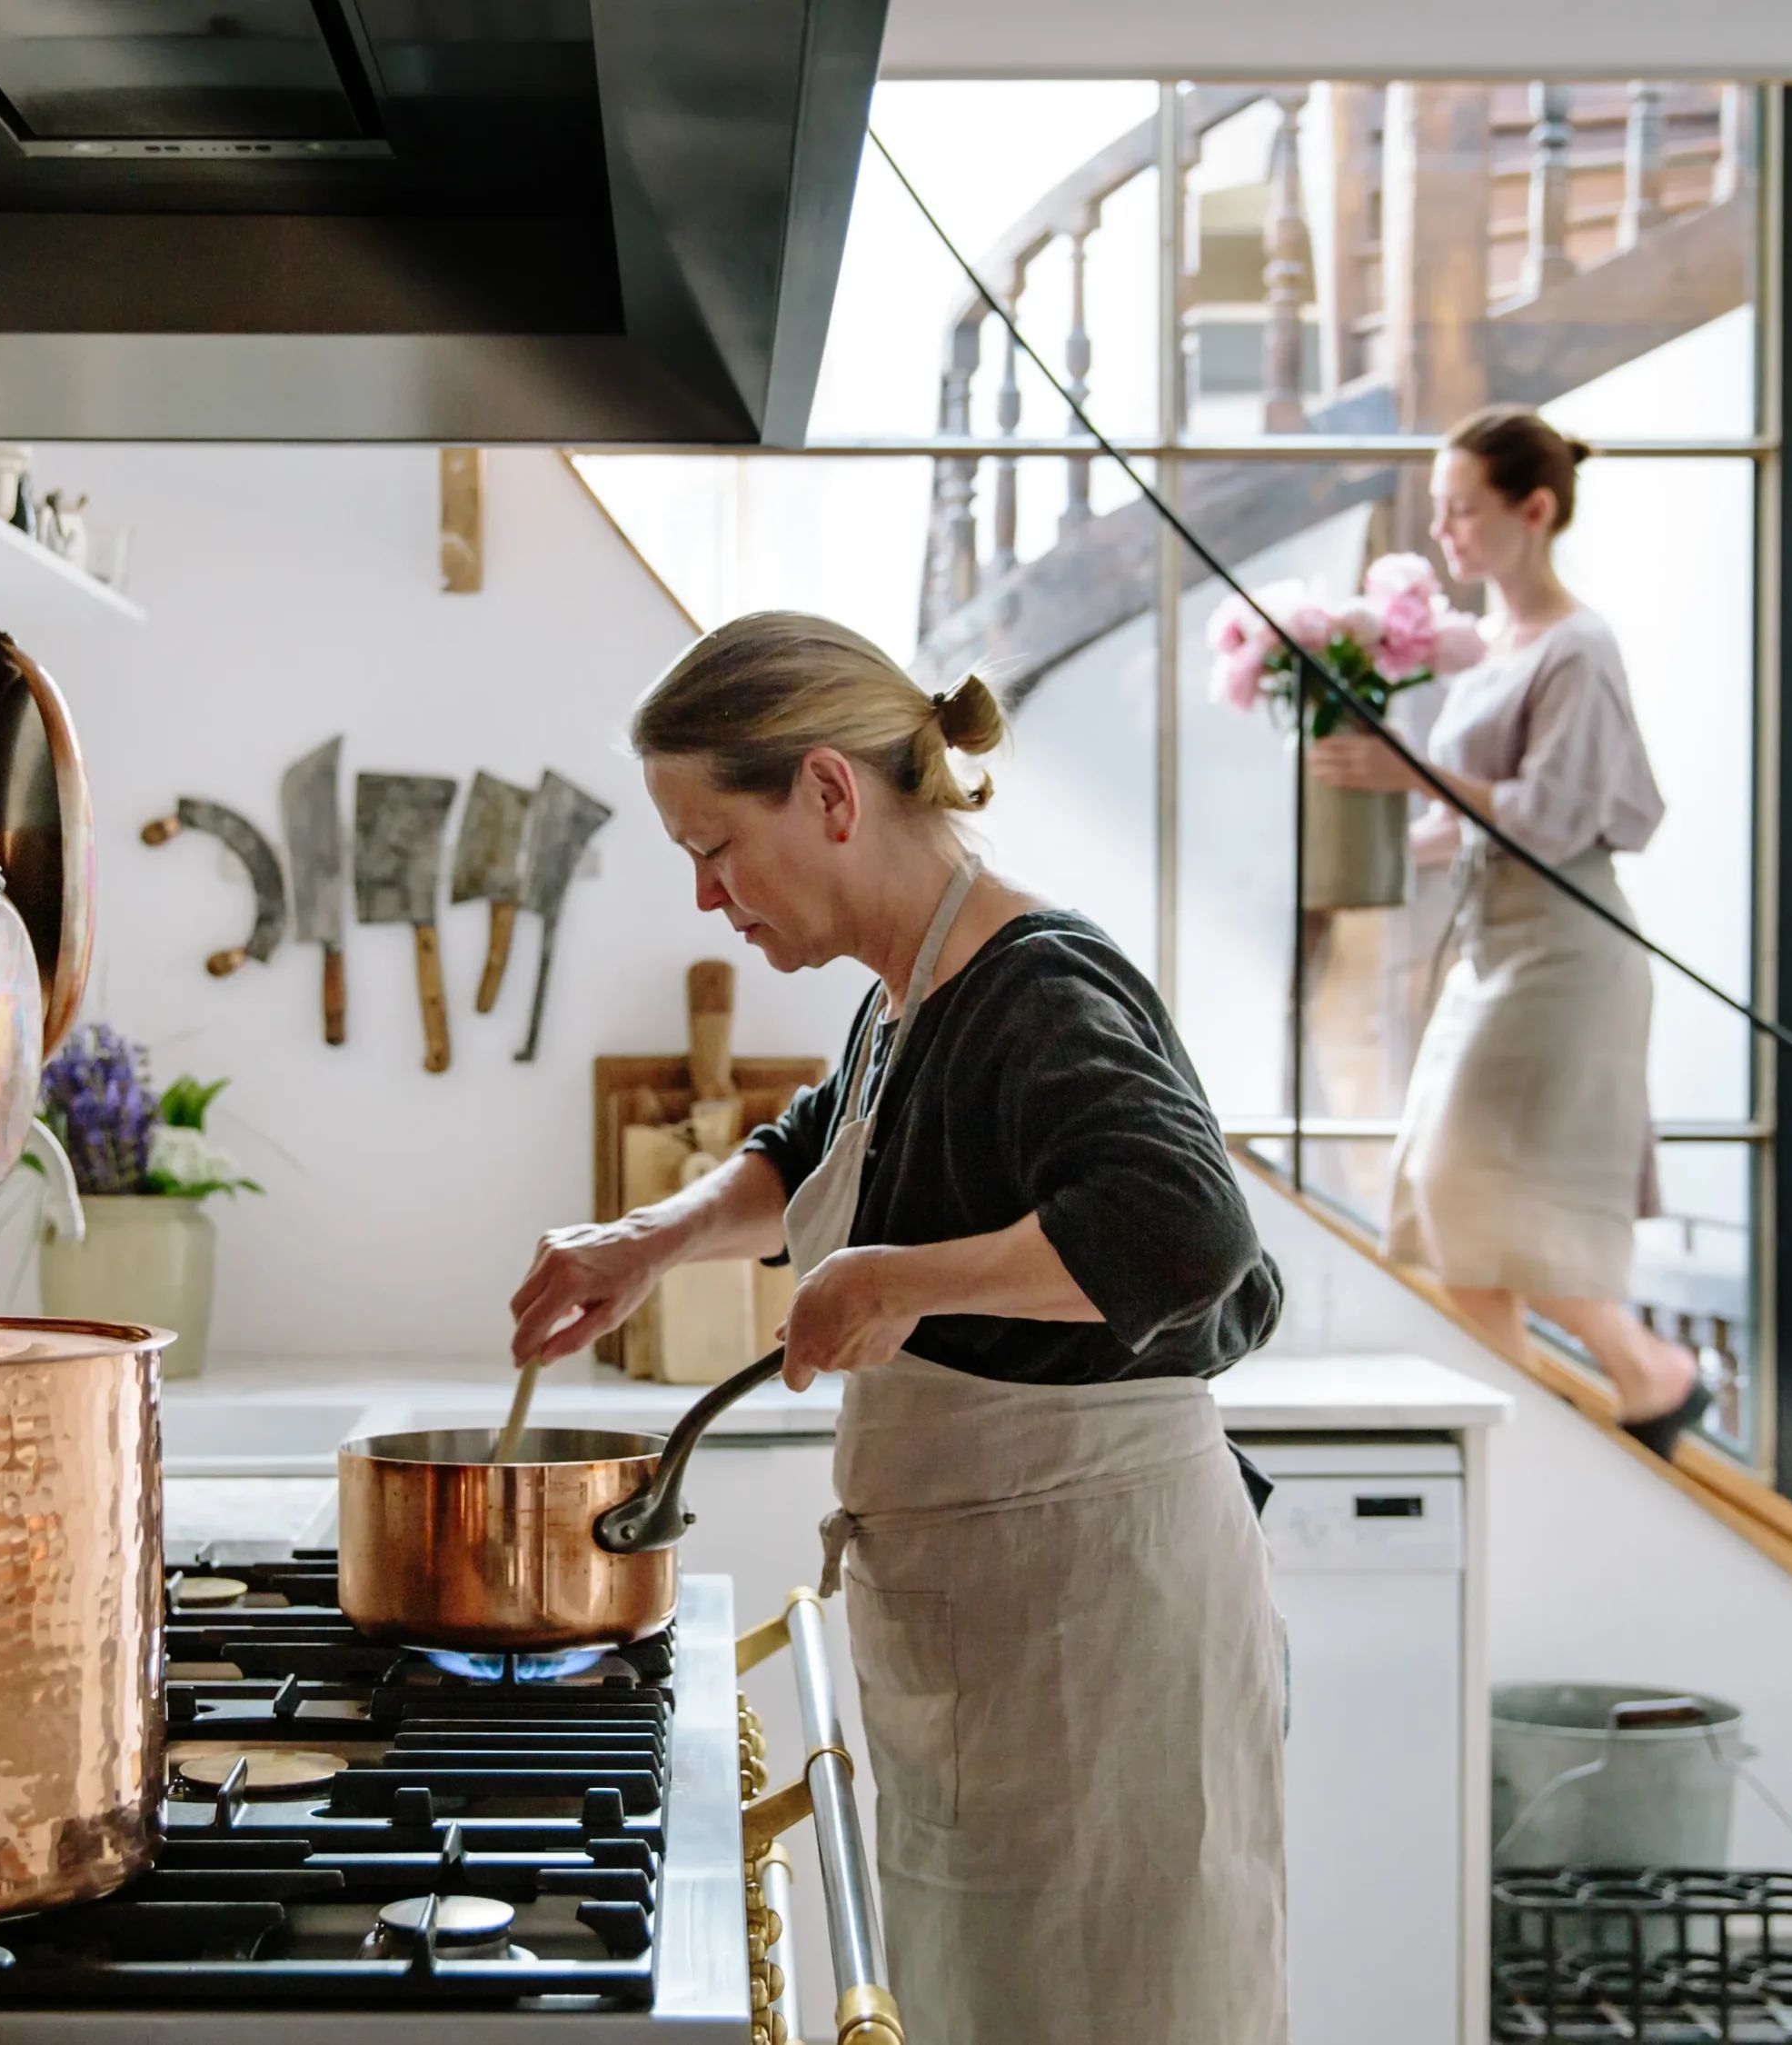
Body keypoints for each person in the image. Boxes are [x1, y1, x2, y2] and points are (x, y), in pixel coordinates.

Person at [509, 612, 1289, 2042]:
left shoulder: (1040, 983)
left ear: (826, 790)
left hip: (1103, 1636)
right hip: (999, 1634)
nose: (705, 896)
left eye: (714, 847)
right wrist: (652, 1241)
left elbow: (1183, 1228)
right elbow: (822, 1147)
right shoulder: (906, 995)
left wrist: (901, 1279)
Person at [1309, 405, 1709, 1455]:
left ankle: (1633, 1383)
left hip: (1566, 954)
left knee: (1464, 1188)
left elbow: (1545, 816)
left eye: (1462, 510)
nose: (1443, 532)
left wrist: (1407, 774)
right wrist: (1352, 837)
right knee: (1450, 1209)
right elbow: (1465, 822)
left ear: (1533, 512)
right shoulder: (1496, 644)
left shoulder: (1580, 647)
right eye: (1438, 510)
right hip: (1495, 949)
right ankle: (1575, 1415)